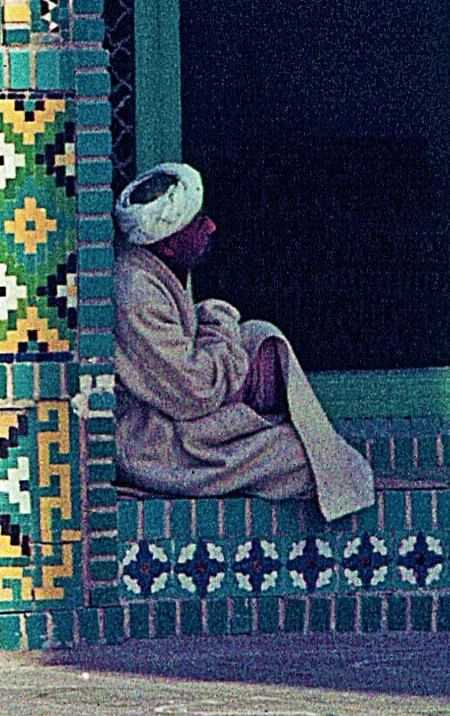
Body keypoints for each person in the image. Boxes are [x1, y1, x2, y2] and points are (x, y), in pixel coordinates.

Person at [111, 163, 376, 523]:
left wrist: (216, 331)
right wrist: (216, 323)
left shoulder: (158, 268)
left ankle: (260, 421)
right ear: (169, 243)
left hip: (182, 419)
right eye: (198, 222)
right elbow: (196, 393)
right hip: (157, 445)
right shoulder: (137, 291)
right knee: (305, 459)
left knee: (260, 337)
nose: (210, 227)